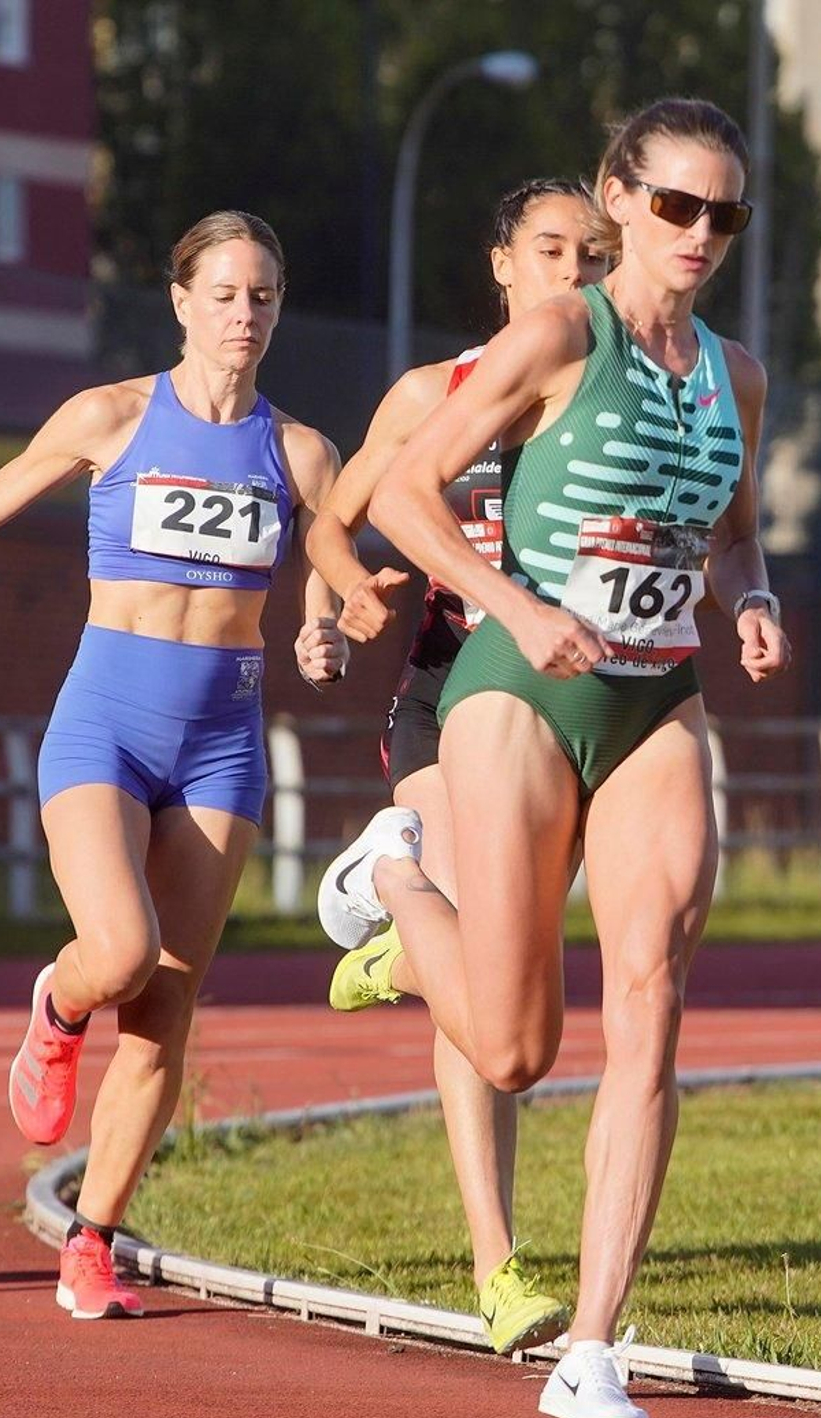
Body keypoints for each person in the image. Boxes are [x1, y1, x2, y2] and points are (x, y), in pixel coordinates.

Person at [316, 100, 792, 1418]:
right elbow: (402, 491)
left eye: (725, 214)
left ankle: (591, 1347)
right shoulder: (556, 338)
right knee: (517, 1048)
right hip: (520, 689)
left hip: (657, 698)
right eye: (677, 205)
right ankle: (397, 879)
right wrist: (513, 607)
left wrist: (752, 598)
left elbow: (734, 533)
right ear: (619, 197)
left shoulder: (736, 375)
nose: (700, 233)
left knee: (651, 999)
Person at [0, 211, 346, 1320]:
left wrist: (321, 625)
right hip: (105, 726)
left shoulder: (301, 453)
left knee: (164, 1009)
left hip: (222, 744)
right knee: (121, 952)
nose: (244, 316)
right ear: (181, 302)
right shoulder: (112, 416)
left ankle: (91, 1238)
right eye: (224, 294)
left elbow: (328, 563)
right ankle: (57, 1005)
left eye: (263, 296)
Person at [305, 179, 606, 1355]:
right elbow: (333, 521)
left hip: (569, 704)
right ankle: (497, 1266)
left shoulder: (615, 404)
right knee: (484, 939)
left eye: (593, 254)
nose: (573, 272)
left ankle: (398, 931)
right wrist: (344, 599)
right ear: (502, 264)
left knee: (504, 984)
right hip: (449, 693)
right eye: (550, 249)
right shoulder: (435, 393)